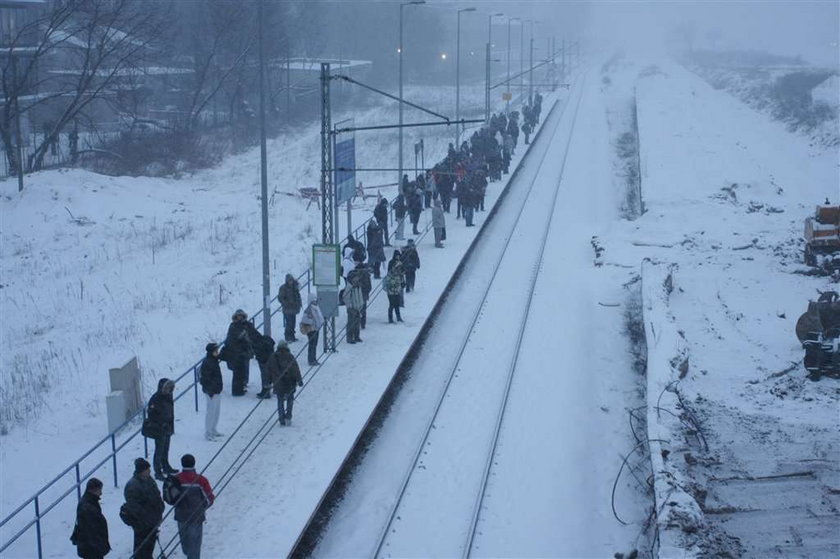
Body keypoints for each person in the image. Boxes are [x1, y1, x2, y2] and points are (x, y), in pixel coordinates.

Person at [173, 454, 214, 559]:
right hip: (196, 516)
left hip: (181, 515)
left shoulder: (175, 479)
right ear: (194, 463)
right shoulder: (201, 480)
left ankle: (188, 554)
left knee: (185, 541)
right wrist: (202, 508)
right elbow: (209, 499)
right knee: (195, 544)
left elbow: (170, 497)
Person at [123, 458, 164, 559]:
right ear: (141, 471)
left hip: (152, 521)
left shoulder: (149, 480)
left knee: (149, 547)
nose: (149, 471)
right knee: (141, 549)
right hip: (142, 524)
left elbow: (157, 495)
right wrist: (148, 518)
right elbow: (134, 507)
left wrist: (160, 508)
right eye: (147, 469)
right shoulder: (133, 486)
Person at [71, 478, 110, 559]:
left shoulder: (89, 502)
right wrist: (99, 547)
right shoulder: (88, 507)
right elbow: (91, 530)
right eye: (100, 490)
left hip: (90, 547)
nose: (101, 493)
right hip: (92, 548)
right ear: (94, 490)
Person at [145, 379, 176, 480]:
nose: (169, 390)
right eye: (167, 388)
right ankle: (158, 471)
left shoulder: (168, 396)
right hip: (159, 429)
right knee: (159, 450)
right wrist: (160, 424)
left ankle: (166, 466)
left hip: (167, 427)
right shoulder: (156, 399)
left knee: (165, 448)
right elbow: (151, 414)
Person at [268, 340, 303, 425]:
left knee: (280, 401)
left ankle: (281, 418)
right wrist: (299, 380)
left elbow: (269, 371)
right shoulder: (290, 356)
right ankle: (288, 417)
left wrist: (268, 382)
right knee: (290, 400)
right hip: (290, 382)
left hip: (278, 383)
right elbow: (295, 369)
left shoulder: (273, 357)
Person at [223, 309, 253, 396]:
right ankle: (240, 385)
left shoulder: (248, 325)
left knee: (246, 366)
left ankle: (244, 382)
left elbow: (252, 335)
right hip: (236, 351)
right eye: (238, 316)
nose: (239, 317)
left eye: (241, 316)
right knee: (238, 369)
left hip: (246, 349)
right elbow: (230, 337)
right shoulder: (233, 326)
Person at [199, 343, 223, 441]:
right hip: (211, 392)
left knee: (216, 411)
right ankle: (208, 432)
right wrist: (211, 390)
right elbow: (206, 379)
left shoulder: (213, 360)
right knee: (211, 412)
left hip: (217, 390)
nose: (217, 352)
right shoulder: (208, 362)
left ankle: (213, 429)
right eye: (216, 350)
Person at [299, 294, 324, 366]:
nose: (315, 302)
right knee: (312, 344)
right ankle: (311, 360)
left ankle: (314, 358)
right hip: (311, 329)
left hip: (316, 328)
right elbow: (306, 320)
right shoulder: (309, 310)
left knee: (314, 344)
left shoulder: (316, 308)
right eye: (314, 300)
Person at [277, 274, 302, 343]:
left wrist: (298, 304)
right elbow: (280, 298)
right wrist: (286, 303)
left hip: (293, 309)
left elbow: (297, 296)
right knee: (289, 323)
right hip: (287, 309)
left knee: (293, 323)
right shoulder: (283, 288)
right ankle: (288, 337)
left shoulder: (294, 287)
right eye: (289, 280)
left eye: (291, 280)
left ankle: (292, 336)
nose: (290, 282)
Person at [345, 266, 365, 343]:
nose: (357, 279)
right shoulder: (349, 286)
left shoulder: (358, 286)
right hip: (351, 308)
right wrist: (350, 306)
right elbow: (346, 297)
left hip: (358, 307)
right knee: (351, 323)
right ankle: (349, 338)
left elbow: (360, 296)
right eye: (355, 278)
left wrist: (361, 304)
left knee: (357, 323)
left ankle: (356, 336)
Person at [252, 333, 275, 400]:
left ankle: (266, 392)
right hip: (266, 357)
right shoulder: (263, 340)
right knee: (268, 375)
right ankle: (268, 390)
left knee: (265, 375)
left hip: (263, 358)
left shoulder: (256, 343)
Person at [384, 252, 405, 323]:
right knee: (392, 305)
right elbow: (388, 282)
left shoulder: (399, 275)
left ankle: (398, 317)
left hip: (397, 291)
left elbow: (402, 280)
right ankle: (390, 319)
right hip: (391, 291)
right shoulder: (390, 275)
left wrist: (402, 283)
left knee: (397, 304)